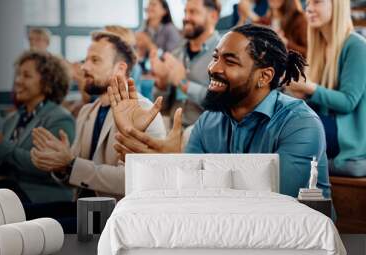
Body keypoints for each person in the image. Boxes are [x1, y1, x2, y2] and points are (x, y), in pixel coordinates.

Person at [109, 24, 330, 198]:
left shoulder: (301, 124)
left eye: (230, 61)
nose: (214, 68)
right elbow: (188, 196)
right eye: (215, 57)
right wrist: (161, 165)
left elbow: (276, 200)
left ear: (264, 76)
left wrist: (179, 166)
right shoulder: (209, 121)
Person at [30, 32, 166, 200]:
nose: (84, 67)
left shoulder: (143, 111)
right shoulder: (87, 112)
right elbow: (78, 178)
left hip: (115, 217)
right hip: (83, 210)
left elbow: (133, 180)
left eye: (95, 60)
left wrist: (71, 164)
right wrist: (61, 167)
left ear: (120, 68)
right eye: (86, 60)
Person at [286, 0, 366, 177]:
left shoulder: (357, 46)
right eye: (307, 3)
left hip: (349, 136)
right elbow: (319, 102)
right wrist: (300, 92)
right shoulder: (320, 47)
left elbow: (348, 102)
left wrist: (310, 88)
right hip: (328, 126)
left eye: (317, 2)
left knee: (289, 126)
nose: (309, 8)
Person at [0, 51, 75, 203]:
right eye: (18, 74)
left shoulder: (60, 118)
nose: (18, 81)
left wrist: (1, 147)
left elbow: (47, 167)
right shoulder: (12, 118)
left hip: (42, 198)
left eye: (26, 76)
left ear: (47, 82)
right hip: (12, 193)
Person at [151, 0, 221, 127]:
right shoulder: (176, 53)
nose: (186, 18)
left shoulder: (224, 55)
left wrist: (183, 82)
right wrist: (161, 82)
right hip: (172, 129)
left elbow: (224, 102)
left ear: (213, 16)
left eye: (193, 12)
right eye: (185, 12)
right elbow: (162, 108)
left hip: (205, 134)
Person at [136, 0, 182, 71]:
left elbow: (173, 58)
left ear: (164, 11)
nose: (148, 7)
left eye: (153, 5)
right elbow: (142, 59)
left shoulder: (170, 30)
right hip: (147, 70)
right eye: (148, 5)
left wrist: (149, 45)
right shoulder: (145, 29)